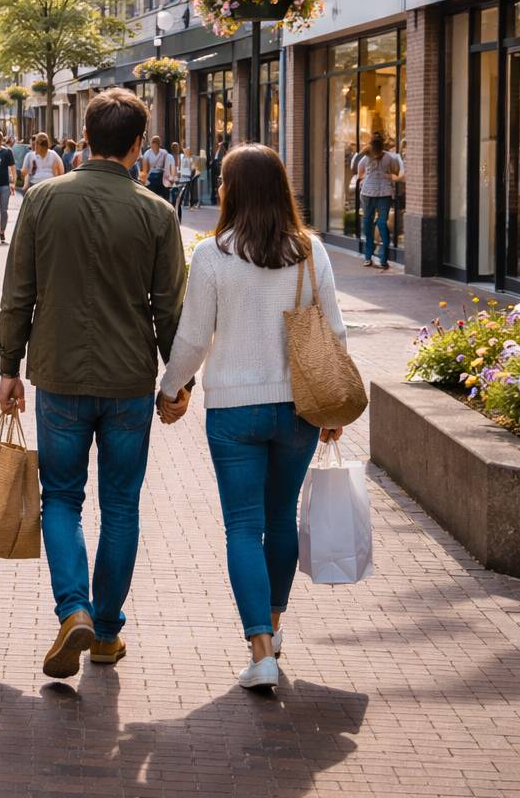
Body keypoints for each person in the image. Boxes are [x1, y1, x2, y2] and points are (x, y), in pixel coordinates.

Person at [0, 87, 186, 679]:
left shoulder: (42, 199)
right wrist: (176, 382)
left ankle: (72, 608)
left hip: (59, 372)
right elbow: (169, 309)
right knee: (121, 503)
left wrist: (9, 365)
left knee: (62, 497)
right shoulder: (157, 212)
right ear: (137, 145)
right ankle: (105, 632)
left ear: (85, 134)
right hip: (129, 377)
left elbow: (18, 289)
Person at [157, 143, 347, 691]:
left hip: (234, 410)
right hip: (299, 406)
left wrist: (171, 389)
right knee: (280, 519)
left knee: (243, 525)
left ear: (233, 190)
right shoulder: (311, 251)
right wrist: (333, 406)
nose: (217, 188)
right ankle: (276, 626)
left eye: (222, 180)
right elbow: (333, 331)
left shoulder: (213, 255)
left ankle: (260, 648)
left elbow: (194, 337)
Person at [351, 131, 403, 270]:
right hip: (383, 194)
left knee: (369, 223)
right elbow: (395, 172)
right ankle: (382, 259)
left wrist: (368, 177)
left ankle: (370, 258)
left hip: (369, 193)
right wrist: (385, 176)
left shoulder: (365, 158)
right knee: (380, 223)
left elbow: (360, 174)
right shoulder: (390, 158)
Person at [141, 135, 173, 201]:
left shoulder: (164, 153)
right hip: (152, 177)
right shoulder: (147, 153)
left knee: (163, 196)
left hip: (161, 176)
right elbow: (145, 169)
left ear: (159, 144)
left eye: (156, 143)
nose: (154, 145)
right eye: (153, 143)